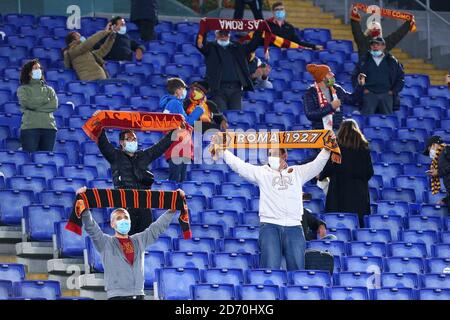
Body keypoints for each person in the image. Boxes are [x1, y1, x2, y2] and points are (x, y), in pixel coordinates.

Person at [212, 136, 331, 271]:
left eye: (274, 154)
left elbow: (317, 165)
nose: (271, 157)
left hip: (294, 227)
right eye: (269, 154)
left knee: (298, 271)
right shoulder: (262, 172)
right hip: (270, 226)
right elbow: (240, 166)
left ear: (284, 155)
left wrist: (327, 149)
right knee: (269, 271)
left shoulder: (297, 172)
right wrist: (223, 152)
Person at [76, 186, 177, 300]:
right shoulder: (105, 242)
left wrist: (172, 210)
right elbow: (91, 227)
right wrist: (83, 206)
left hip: (139, 295)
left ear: (130, 221)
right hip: (117, 296)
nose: (123, 220)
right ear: (112, 224)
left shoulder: (139, 240)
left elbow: (156, 228)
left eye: (125, 217)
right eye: (119, 218)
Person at [95, 113, 176, 235]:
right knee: (126, 243)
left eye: (134, 139)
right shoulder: (115, 156)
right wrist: (98, 122)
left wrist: (175, 129)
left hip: (144, 206)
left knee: (144, 242)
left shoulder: (143, 156)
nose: (133, 141)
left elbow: (160, 146)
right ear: (121, 142)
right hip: (125, 206)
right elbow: (103, 143)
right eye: (129, 139)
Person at [318, 119, 374, 228]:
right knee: (357, 228)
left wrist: (321, 176)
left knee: (337, 227)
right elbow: (369, 172)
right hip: (358, 195)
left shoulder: (336, 148)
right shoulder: (364, 149)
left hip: (338, 194)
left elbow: (328, 169)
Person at [196, 28, 263, 111]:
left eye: (226, 34)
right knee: (222, 116)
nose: (223, 36)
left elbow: (252, 46)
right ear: (216, 35)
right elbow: (199, 44)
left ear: (229, 35)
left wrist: (259, 29)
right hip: (218, 89)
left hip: (236, 90)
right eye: (221, 34)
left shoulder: (237, 47)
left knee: (235, 116)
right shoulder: (210, 48)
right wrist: (204, 27)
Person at [160, 78, 204, 182]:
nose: (185, 91)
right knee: (176, 181)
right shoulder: (174, 103)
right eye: (183, 89)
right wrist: (199, 109)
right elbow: (187, 122)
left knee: (180, 181)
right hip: (177, 146)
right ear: (178, 90)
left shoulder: (174, 104)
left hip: (180, 146)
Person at [351, 37, 405, 115]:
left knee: (386, 120)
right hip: (369, 95)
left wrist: (393, 91)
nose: (375, 47)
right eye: (373, 45)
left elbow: (400, 77)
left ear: (384, 46)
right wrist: (362, 90)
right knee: (367, 118)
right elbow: (355, 76)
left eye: (378, 44)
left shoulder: (392, 61)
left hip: (386, 95)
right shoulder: (364, 60)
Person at [303, 63, 364, 131]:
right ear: (322, 77)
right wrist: (331, 107)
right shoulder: (310, 93)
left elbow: (353, 100)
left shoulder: (337, 89)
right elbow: (310, 114)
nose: (333, 74)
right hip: (321, 132)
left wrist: (360, 86)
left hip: (338, 130)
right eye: (329, 73)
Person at [17, 59, 58, 153]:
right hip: (30, 128)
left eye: (39, 68)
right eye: (35, 68)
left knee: (45, 160)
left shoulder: (49, 89)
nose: (38, 70)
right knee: (30, 159)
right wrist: (44, 100)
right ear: (29, 73)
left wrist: (35, 106)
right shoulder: (22, 89)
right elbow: (28, 104)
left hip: (49, 128)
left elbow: (54, 105)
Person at [424, 136, 449, 213]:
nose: (430, 153)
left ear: (434, 145)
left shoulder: (446, 150)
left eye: (429, 149)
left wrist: (438, 172)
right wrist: (445, 200)